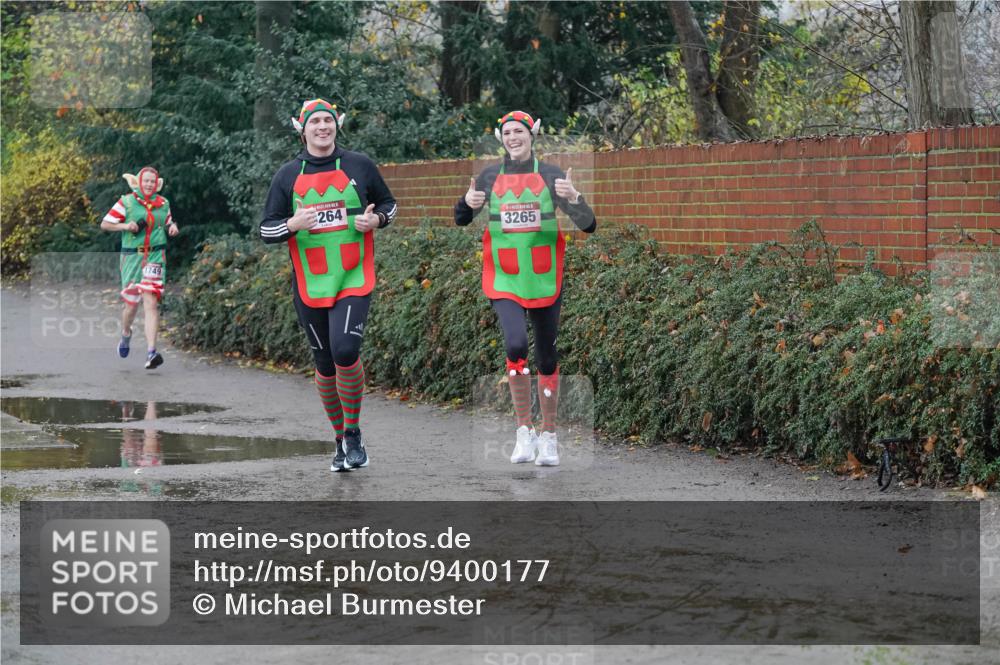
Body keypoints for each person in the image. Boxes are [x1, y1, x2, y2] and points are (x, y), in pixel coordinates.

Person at [260, 99, 397, 472]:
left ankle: (353, 433)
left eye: (328, 120)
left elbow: (389, 203)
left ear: (337, 125)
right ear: (301, 129)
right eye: (315, 122)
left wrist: (378, 221)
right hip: (310, 282)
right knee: (323, 363)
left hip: (353, 275)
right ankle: (339, 439)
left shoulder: (360, 165)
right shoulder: (287, 175)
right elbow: (266, 229)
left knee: (345, 351)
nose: (323, 127)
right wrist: (292, 225)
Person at [455, 110, 596, 466]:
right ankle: (524, 431)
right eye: (507, 132)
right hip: (503, 276)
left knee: (547, 356)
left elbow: (589, 225)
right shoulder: (489, 176)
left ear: (532, 134)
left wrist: (576, 198)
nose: (513, 137)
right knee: (516, 343)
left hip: (545, 277)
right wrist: (467, 204)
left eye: (519, 131)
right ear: (501, 138)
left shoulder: (551, 175)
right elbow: (460, 217)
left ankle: (549, 435)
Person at [101, 167, 179, 369]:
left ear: (157, 184)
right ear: (139, 182)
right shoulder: (126, 202)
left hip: (155, 256)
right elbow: (105, 224)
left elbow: (168, 221)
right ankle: (126, 333)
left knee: (151, 303)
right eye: (146, 181)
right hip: (132, 257)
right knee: (132, 305)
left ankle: (152, 352)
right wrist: (125, 226)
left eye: (153, 182)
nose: (149, 185)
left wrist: (172, 227)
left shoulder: (163, 203)